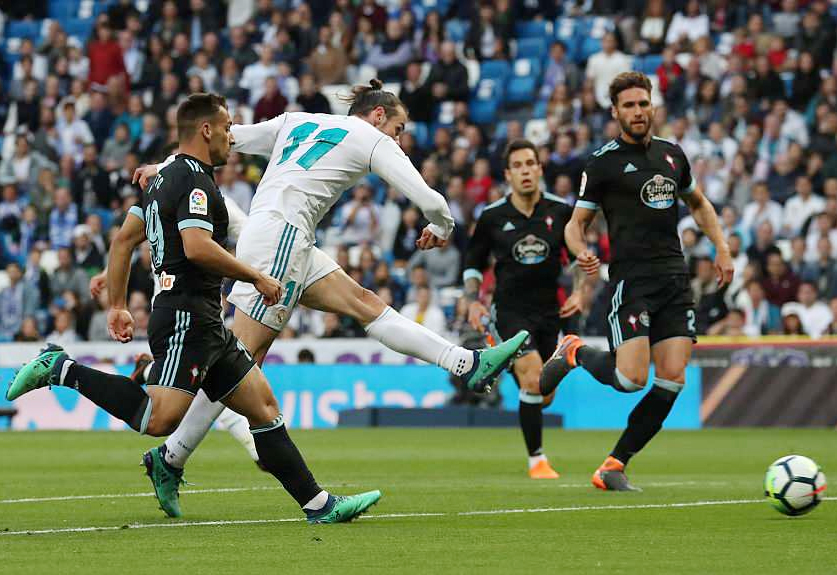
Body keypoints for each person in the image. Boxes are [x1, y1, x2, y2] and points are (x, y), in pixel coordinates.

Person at [132, 80, 528, 514]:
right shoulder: (371, 137)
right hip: (281, 240)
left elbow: (227, 136)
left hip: (288, 240)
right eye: (399, 128)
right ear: (378, 115)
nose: (399, 139)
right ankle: (170, 454)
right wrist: (443, 227)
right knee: (236, 362)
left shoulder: (297, 121)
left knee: (363, 303)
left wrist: (166, 164)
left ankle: (465, 362)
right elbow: (429, 199)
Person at [7, 93, 381, 524]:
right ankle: (62, 369)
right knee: (158, 418)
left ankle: (318, 505)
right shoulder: (195, 181)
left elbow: (125, 239)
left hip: (203, 319)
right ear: (206, 130)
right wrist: (255, 276)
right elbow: (198, 247)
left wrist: (116, 304)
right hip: (185, 313)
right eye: (226, 129)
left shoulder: (163, 178)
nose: (229, 138)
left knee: (262, 406)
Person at [540, 72, 734, 491]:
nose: (638, 112)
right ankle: (574, 351)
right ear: (615, 112)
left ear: (652, 106)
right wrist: (580, 251)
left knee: (672, 379)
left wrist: (722, 246)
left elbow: (698, 203)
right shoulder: (603, 163)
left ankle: (613, 465)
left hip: (675, 279)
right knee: (630, 380)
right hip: (632, 281)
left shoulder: (672, 155)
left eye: (643, 104)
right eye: (629, 106)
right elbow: (576, 225)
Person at [464, 139, 587, 479]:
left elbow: (578, 258)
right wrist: (473, 299)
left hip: (550, 312)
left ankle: (512, 375)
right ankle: (538, 462)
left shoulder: (561, 211)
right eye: (518, 166)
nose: (525, 171)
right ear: (508, 174)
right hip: (510, 311)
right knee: (533, 380)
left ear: (539, 169)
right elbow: (473, 264)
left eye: (530, 163)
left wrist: (579, 291)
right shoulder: (491, 217)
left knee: (543, 394)